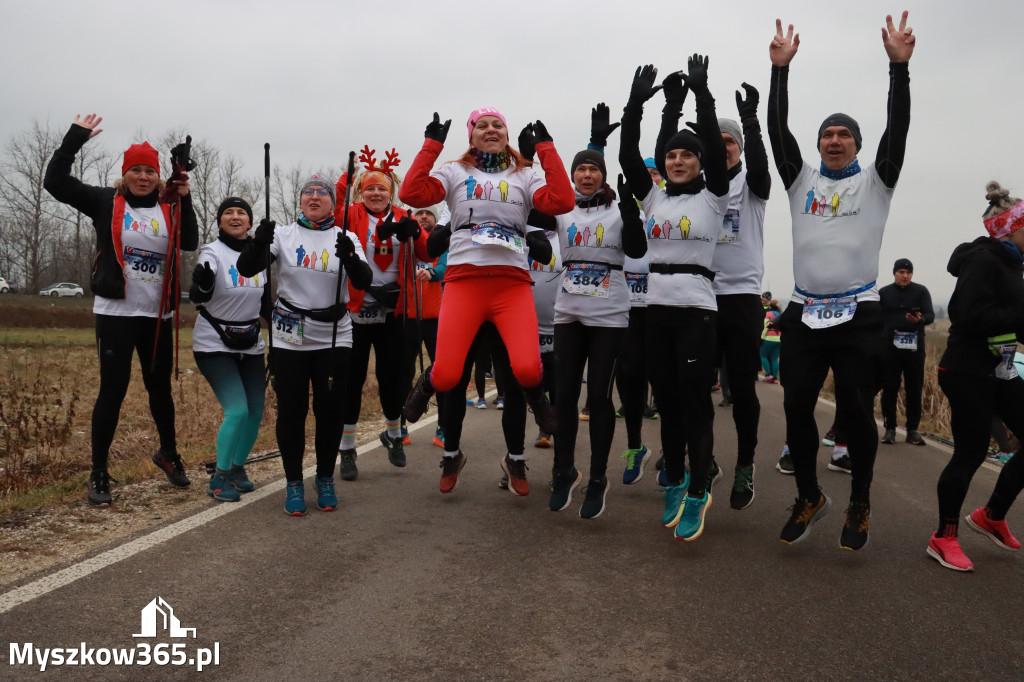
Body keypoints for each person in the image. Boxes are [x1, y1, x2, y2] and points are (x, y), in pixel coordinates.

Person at [766, 12, 914, 551]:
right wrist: (778, 73)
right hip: (806, 312)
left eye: (843, 134)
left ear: (856, 144)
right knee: (796, 405)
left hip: (859, 314)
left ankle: (860, 500)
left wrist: (899, 69)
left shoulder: (877, 180)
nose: (834, 141)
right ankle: (810, 494)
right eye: (827, 134)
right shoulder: (799, 178)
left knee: (854, 410)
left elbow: (898, 128)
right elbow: (774, 129)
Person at [400, 107, 574, 494]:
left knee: (528, 371)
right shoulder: (453, 172)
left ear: (507, 134)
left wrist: (545, 148)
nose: (491, 129)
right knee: (447, 376)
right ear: (471, 135)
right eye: (482, 125)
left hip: (511, 285)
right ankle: (425, 385)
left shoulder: (524, 174)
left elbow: (561, 201)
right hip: (464, 282)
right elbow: (411, 193)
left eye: (498, 125)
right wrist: (431, 145)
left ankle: (528, 425)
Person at [44, 113, 198, 505]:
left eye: (149, 171)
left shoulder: (169, 207)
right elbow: (55, 183)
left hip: (157, 317)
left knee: (158, 389)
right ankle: (98, 473)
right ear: (125, 174)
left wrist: (186, 196)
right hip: (116, 313)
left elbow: (189, 242)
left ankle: (168, 454)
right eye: (136, 171)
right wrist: (75, 139)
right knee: (112, 390)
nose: (143, 177)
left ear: (159, 176)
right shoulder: (103, 201)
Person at [619, 56, 730, 541]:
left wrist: (702, 96)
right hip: (656, 310)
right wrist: (635, 105)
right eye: (671, 157)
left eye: (687, 155)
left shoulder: (714, 197)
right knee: (665, 400)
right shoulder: (655, 198)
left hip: (698, 312)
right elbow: (626, 158)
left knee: (693, 402)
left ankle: (699, 489)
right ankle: (678, 476)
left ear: (701, 161)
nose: (678, 160)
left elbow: (706, 136)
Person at [236, 174, 371, 515]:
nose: (313, 197)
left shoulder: (347, 236)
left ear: (332, 202)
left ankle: (324, 477)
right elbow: (247, 268)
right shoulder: (283, 234)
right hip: (290, 333)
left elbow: (364, 281)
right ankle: (293, 482)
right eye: (307, 193)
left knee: (330, 410)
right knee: (292, 410)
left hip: (334, 333)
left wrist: (352, 259)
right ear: (300, 201)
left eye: (321, 193)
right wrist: (257, 243)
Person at [538, 102, 647, 519]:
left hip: (609, 315)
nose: (586, 174)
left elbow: (636, 250)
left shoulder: (619, 209)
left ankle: (598, 478)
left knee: (598, 396)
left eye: (593, 169)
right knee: (563, 394)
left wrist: (632, 215)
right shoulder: (562, 209)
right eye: (580, 169)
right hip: (569, 311)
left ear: (602, 176)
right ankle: (564, 470)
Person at [927, 181, 1024, 572]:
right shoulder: (983, 260)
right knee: (969, 453)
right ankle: (943, 536)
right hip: (966, 369)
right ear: (1009, 227)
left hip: (998, 369)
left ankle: (992, 515)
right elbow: (967, 315)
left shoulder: (1011, 262)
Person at [334, 148, 429, 481]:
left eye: (382, 188)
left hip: (395, 310)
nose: (376, 194)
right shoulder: (353, 213)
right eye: (370, 188)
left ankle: (393, 433)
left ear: (392, 191)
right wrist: (348, 175)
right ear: (363, 190)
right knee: (351, 380)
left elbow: (426, 250)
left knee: (394, 379)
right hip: (357, 309)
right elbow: (337, 209)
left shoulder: (405, 215)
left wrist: (415, 233)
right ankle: (346, 448)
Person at [708, 85, 771, 511]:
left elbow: (764, 166)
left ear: (741, 149)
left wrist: (749, 120)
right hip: (701, 297)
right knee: (695, 387)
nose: (724, 147)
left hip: (743, 296)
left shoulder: (753, 182)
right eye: (719, 141)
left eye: (730, 142)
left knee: (743, 388)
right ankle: (704, 459)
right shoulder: (697, 184)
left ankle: (745, 464)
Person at [189, 197, 268, 502]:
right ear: (220, 221)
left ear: (250, 222)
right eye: (228, 213)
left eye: (242, 213)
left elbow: (265, 305)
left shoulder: (260, 256)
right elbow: (199, 293)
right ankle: (219, 478)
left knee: (255, 412)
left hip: (250, 343)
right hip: (214, 342)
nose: (235, 217)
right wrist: (204, 284)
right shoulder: (212, 252)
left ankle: (236, 469)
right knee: (237, 410)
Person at [400, 205, 448, 448]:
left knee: (442, 373)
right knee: (403, 372)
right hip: (408, 315)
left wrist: (432, 272)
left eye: (429, 214)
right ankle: (401, 423)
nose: (424, 217)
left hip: (437, 316)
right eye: (419, 214)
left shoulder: (440, 241)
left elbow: (445, 267)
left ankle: (444, 426)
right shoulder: (406, 241)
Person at [879, 257, 934, 445]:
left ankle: (912, 430)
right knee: (890, 388)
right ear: (894, 273)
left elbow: (930, 315)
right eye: (901, 272)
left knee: (914, 388)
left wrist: (920, 320)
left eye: (908, 272)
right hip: (890, 348)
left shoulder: (921, 291)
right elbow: (877, 317)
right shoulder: (884, 293)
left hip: (914, 348)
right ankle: (890, 429)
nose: (905, 276)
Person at [760, 299, 781, 382]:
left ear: (770, 306)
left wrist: (762, 337)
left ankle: (768, 374)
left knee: (763, 356)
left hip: (768, 338)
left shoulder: (768, 314)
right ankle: (775, 378)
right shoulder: (780, 315)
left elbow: (766, 327)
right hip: (779, 339)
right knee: (775, 359)